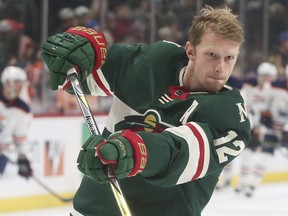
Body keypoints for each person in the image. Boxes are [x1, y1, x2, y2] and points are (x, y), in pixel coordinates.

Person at [41, 5, 250, 216]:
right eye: (212, 54)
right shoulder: (154, 62)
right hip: (92, 209)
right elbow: (78, 74)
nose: (220, 68)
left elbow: (177, 153)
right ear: (191, 51)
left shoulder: (231, 117)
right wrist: (76, 52)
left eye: (229, 58)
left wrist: (132, 149)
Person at [217, 62, 288, 197]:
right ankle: (237, 182)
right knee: (237, 152)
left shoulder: (275, 91)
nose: (265, 79)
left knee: (262, 157)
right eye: (263, 75)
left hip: (271, 130)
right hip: (254, 127)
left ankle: (249, 184)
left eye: (268, 76)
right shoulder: (252, 89)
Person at [0, 66, 33, 179]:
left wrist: (23, 159)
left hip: (2, 154)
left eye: (22, 83)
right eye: (17, 82)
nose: (20, 86)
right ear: (7, 82)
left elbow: (20, 138)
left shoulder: (22, 109)